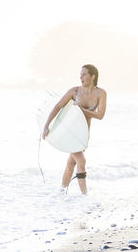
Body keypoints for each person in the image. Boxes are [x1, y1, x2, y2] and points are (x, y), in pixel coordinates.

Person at [42, 64, 107, 194]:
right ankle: (85, 196)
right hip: (70, 133)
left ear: (92, 76)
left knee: (71, 164)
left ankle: (61, 191)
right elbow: (58, 106)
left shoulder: (101, 93)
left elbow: (100, 115)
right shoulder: (75, 91)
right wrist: (46, 125)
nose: (81, 77)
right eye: (80, 74)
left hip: (83, 135)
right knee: (81, 160)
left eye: (84, 74)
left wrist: (81, 110)